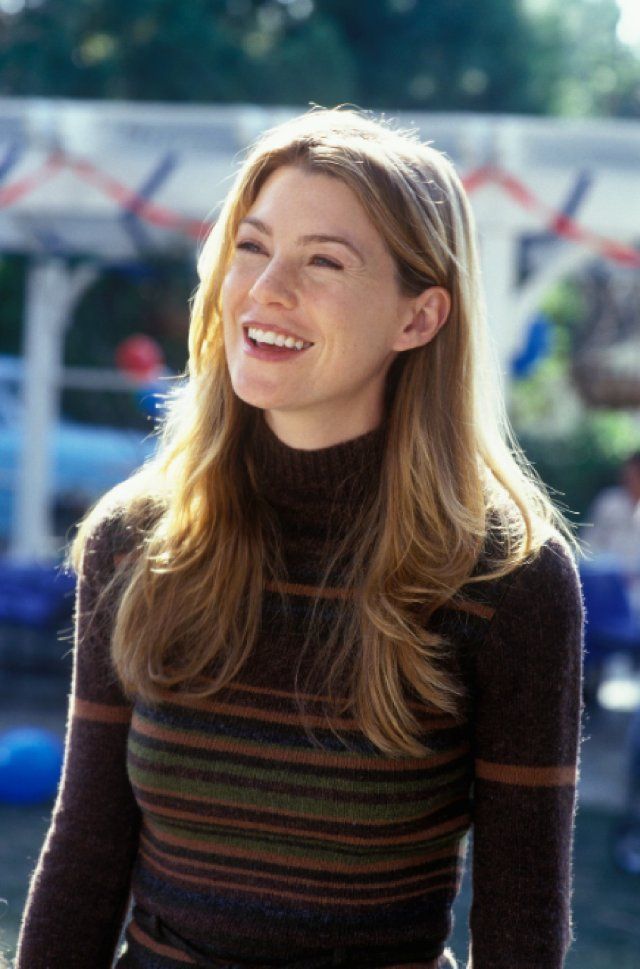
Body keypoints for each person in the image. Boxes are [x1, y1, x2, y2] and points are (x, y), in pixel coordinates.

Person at [15, 107, 584, 969]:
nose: (266, 288)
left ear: (419, 318)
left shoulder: (511, 579)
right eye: (251, 246)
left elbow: (522, 918)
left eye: (324, 261)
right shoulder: (134, 541)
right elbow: (86, 845)